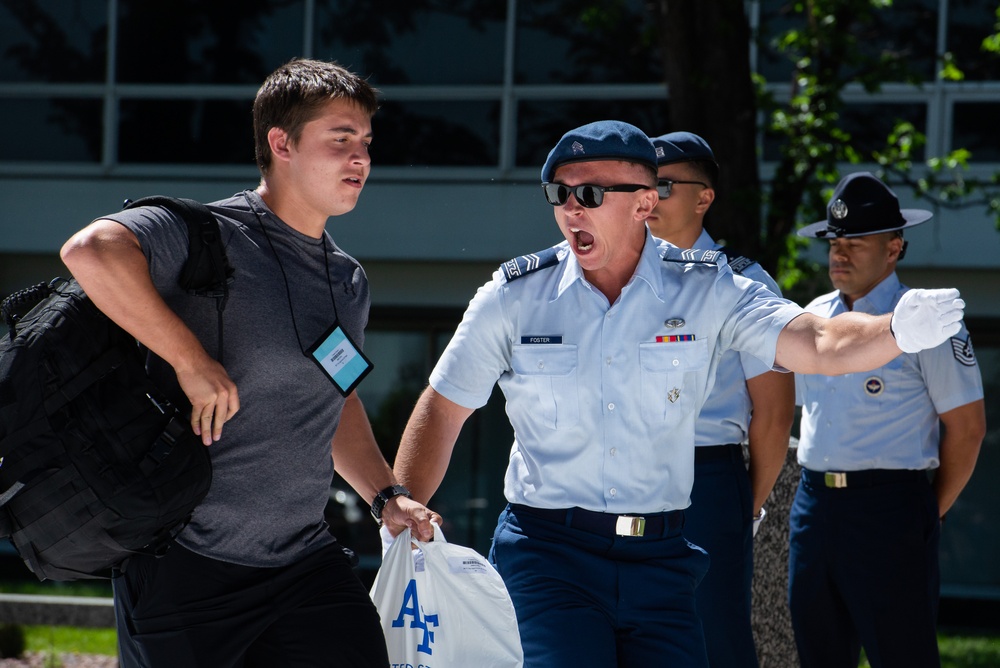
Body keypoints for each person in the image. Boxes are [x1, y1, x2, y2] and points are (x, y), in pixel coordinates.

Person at [389, 120, 965, 668]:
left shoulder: (707, 287)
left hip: (663, 557)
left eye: (589, 193)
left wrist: (895, 329)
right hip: (548, 554)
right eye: (558, 193)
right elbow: (444, 404)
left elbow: (813, 340)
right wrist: (403, 501)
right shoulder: (515, 296)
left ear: (644, 202)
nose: (569, 209)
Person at [60, 58, 440, 667]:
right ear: (281, 142)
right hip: (185, 567)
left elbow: (333, 398)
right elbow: (92, 250)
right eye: (340, 139)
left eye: (366, 143)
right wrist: (189, 359)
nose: (360, 158)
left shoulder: (346, 280)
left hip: (305, 566)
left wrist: (384, 495)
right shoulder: (207, 234)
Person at [788, 171, 986, 668]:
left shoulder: (926, 321)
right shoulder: (812, 316)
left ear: (894, 248)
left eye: (856, 240)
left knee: (902, 655)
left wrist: (923, 510)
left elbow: (967, 427)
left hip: (889, 508)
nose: (840, 251)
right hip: (814, 507)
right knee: (817, 654)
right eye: (835, 240)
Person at [646, 131, 794, 668]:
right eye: (641, 185)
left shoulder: (744, 283)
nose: (648, 198)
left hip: (706, 479)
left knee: (714, 639)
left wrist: (744, 506)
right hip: (623, 475)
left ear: (703, 198)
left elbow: (774, 415)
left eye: (663, 186)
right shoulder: (618, 280)